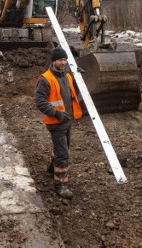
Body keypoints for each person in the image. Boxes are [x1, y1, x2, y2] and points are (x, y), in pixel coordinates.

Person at [35, 46, 83, 199]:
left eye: (65, 60)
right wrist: (57, 114)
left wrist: (78, 75)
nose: (63, 63)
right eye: (61, 60)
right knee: (63, 153)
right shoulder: (45, 79)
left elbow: (69, 92)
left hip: (66, 120)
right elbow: (40, 102)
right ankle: (60, 185)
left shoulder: (66, 76)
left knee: (62, 148)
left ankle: (51, 169)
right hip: (55, 122)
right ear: (54, 61)